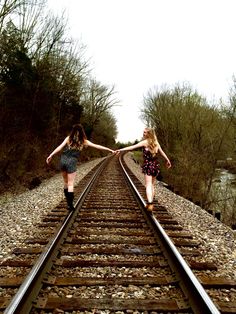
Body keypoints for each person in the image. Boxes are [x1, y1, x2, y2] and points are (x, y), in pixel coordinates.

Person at [46, 124, 114, 210]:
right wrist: (110, 150)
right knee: (71, 184)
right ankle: (70, 205)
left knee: (66, 183)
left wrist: (51, 155)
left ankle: (68, 202)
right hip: (72, 162)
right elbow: (97, 146)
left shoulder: (68, 139)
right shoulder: (84, 141)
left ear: (73, 131)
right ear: (82, 132)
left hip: (63, 161)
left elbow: (59, 147)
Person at [116, 127, 171, 211]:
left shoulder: (145, 142)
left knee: (148, 185)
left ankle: (150, 203)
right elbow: (161, 151)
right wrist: (167, 160)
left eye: (145, 132)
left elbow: (132, 147)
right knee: (152, 185)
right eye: (143, 132)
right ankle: (151, 202)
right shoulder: (156, 142)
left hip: (148, 165)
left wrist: (120, 149)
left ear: (149, 134)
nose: (143, 133)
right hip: (155, 165)